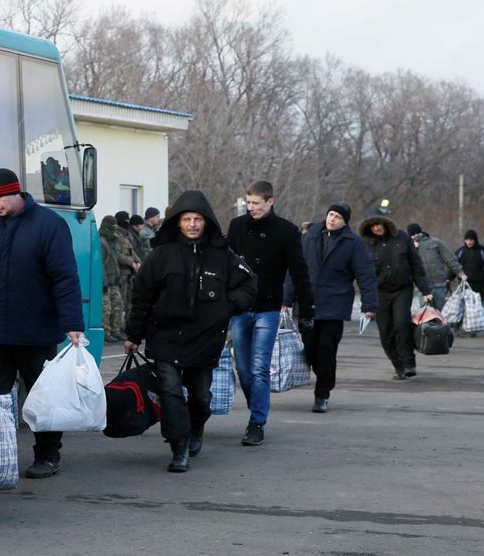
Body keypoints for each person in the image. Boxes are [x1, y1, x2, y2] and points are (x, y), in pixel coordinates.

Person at [125, 190, 256, 472]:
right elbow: (141, 298)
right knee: (171, 393)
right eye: (187, 219)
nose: (193, 224)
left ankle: (196, 430)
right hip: (166, 337)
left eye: (198, 219)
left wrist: (228, 306)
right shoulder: (160, 256)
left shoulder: (223, 255)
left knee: (201, 397)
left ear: (206, 222)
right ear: (178, 222)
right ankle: (179, 446)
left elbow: (248, 284)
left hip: (205, 339)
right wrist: (134, 335)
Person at [0, 168, 85, 479]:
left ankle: (48, 455)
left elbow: (64, 277)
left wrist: (72, 323)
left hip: (36, 331)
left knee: (43, 398)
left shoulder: (49, 225)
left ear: (16, 193)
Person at [226, 180, 314, 447]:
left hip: (268, 308)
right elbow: (225, 264)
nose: (251, 208)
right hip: (240, 307)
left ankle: (256, 422)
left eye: (256, 203)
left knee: (260, 367)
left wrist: (306, 309)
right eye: (248, 202)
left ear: (270, 201)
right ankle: (258, 410)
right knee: (242, 367)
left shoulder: (286, 231)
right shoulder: (237, 226)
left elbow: (299, 271)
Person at [284, 203, 377, 413]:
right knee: (309, 350)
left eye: (337, 217)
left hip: (335, 305)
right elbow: (295, 270)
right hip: (307, 303)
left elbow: (365, 274)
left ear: (345, 222)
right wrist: (286, 299)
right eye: (331, 215)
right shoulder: (309, 237)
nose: (332, 219)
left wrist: (369, 305)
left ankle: (322, 394)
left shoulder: (353, 243)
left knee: (326, 350)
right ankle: (324, 377)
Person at [358, 210, 433, 379]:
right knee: (386, 332)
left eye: (379, 224)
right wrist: (366, 301)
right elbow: (361, 274)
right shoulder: (365, 244)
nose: (377, 228)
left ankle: (408, 363)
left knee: (401, 324)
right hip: (379, 292)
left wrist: (426, 290)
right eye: (373, 225)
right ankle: (398, 365)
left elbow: (416, 265)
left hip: (402, 289)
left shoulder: (402, 238)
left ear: (385, 223)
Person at [406, 223, 466, 309]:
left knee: (441, 312)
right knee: (426, 314)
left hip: (439, 284)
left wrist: (460, 272)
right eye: (413, 235)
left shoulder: (435, 242)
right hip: (422, 287)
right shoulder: (409, 247)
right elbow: (405, 265)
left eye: (417, 234)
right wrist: (414, 249)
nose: (415, 236)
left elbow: (450, 258)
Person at [98, 215, 126, 343]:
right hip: (106, 282)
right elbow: (101, 264)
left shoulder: (112, 241)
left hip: (114, 280)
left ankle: (115, 330)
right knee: (106, 308)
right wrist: (104, 282)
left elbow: (115, 261)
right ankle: (106, 332)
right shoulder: (102, 242)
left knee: (117, 305)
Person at [455, 230, 484, 336]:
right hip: (464, 283)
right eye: (467, 240)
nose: (469, 242)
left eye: (471, 240)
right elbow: (454, 265)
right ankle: (461, 328)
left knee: (476, 306)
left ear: (475, 240)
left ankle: (473, 329)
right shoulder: (460, 251)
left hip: (479, 283)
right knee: (463, 305)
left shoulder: (481, 251)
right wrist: (448, 278)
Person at [113, 210, 142, 312]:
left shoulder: (126, 234)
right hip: (120, 274)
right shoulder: (115, 235)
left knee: (128, 303)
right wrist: (132, 263)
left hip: (129, 274)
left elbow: (131, 251)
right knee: (120, 304)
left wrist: (138, 262)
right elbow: (116, 254)